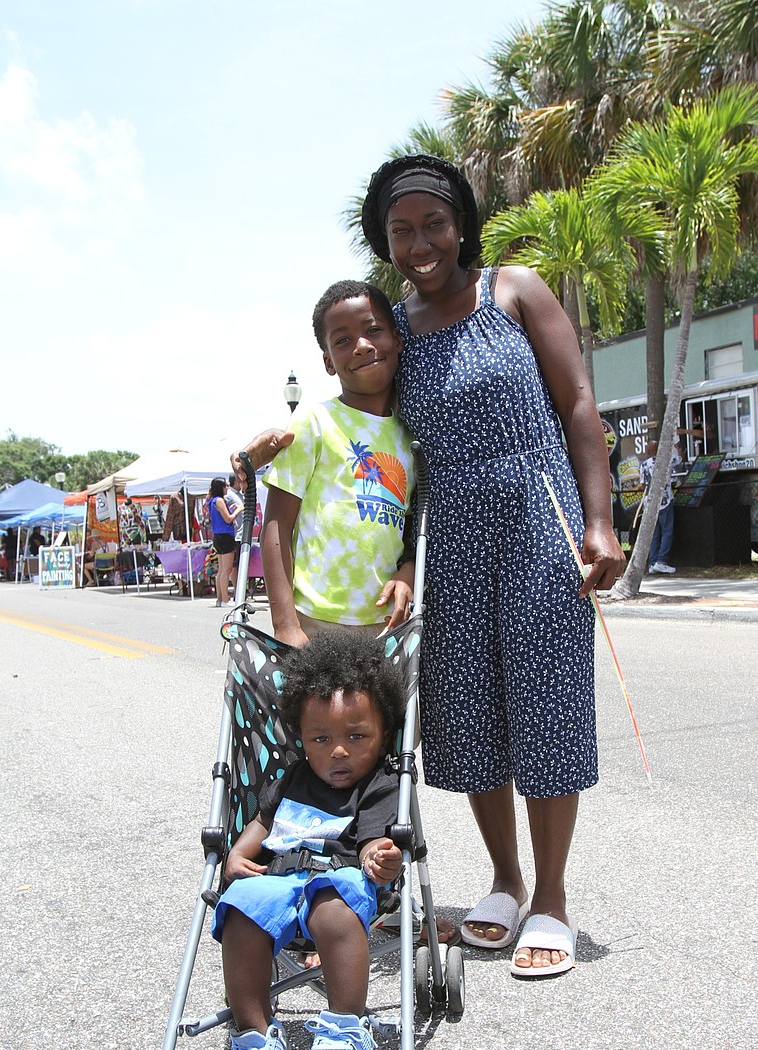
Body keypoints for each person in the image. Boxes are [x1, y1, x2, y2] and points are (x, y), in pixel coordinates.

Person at [237, 156, 625, 978]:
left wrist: (600, 519)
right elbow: (362, 430)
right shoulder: (394, 331)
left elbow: (580, 402)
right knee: (473, 712)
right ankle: (505, 881)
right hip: (445, 533)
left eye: (434, 224)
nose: (420, 242)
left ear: (461, 225)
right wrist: (278, 441)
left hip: (536, 511)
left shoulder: (514, 291)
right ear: (385, 240)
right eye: (401, 229)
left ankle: (551, 896)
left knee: (547, 705)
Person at [211, 628, 405, 1050]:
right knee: (240, 912)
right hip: (277, 879)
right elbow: (262, 824)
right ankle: (255, 1039)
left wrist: (378, 859)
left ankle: (343, 1028)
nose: (338, 752)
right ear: (302, 740)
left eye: (356, 737)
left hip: (342, 878)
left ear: (384, 734)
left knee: (334, 910)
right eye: (321, 739)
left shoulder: (379, 783)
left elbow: (373, 841)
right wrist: (236, 857)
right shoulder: (293, 777)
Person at [262, 279, 416, 646]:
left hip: (386, 628)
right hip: (313, 623)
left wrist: (408, 572)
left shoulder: (411, 437)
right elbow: (276, 526)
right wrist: (286, 625)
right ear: (329, 362)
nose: (361, 346)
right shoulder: (313, 423)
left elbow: (410, 532)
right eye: (343, 340)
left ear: (397, 339)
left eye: (373, 330)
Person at [640, 439, 678, 574]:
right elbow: (679, 458)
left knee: (654, 533)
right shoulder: (666, 461)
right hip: (665, 500)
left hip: (650, 503)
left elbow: (643, 485)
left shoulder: (644, 464)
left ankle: (652, 562)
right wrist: (675, 443)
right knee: (667, 531)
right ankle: (661, 561)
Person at [205, 477, 240, 607]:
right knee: (226, 570)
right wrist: (239, 509)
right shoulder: (219, 500)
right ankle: (225, 599)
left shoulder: (213, 501)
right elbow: (228, 519)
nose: (227, 488)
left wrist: (231, 508)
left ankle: (220, 599)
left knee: (221, 570)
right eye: (225, 486)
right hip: (225, 536)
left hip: (218, 536)